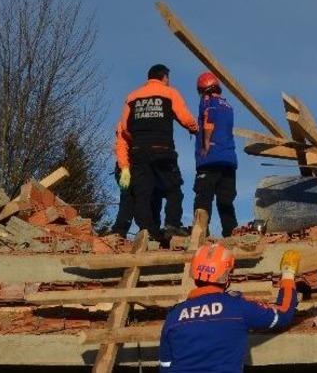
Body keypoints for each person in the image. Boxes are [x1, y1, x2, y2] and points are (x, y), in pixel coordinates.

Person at [160, 242, 301, 372]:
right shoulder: (238, 308)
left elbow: (165, 366)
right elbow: (284, 313)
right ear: (226, 276)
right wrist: (288, 274)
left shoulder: (173, 317)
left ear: (195, 275)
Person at [116, 64, 198, 240]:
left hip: (138, 151)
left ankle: (148, 231)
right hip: (162, 150)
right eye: (167, 78)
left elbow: (124, 128)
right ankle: (172, 226)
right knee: (173, 190)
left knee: (143, 194)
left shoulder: (132, 96)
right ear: (164, 77)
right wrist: (194, 128)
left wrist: (139, 140)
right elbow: (185, 117)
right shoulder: (169, 93)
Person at [192, 72, 239, 237]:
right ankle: (231, 233)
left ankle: (199, 234)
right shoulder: (228, 105)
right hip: (228, 159)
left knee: (203, 198)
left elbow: (208, 121)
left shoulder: (207, 101)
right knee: (226, 200)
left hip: (210, 159)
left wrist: (205, 144)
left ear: (203, 89)